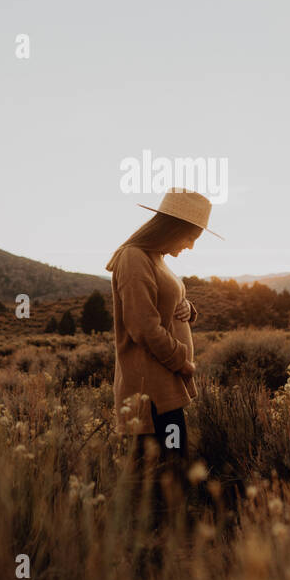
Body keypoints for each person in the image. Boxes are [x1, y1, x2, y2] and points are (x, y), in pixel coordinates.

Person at [105, 189, 222, 469]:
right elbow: (142, 327)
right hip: (150, 391)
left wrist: (187, 308)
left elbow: (165, 301)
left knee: (171, 469)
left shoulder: (155, 258)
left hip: (164, 386)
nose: (191, 246)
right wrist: (182, 361)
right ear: (172, 228)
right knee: (163, 475)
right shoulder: (134, 258)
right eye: (190, 238)